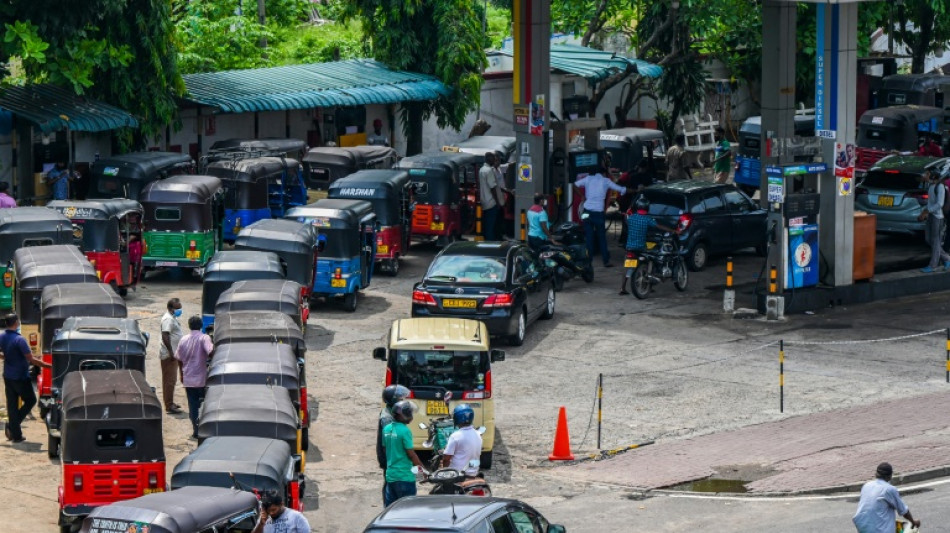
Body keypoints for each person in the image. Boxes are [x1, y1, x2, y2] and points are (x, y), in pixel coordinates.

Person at [1, 313, 50, 443]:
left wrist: (6, 357)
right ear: (16, 323)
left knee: (12, 404)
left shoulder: (2, 336)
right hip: (20, 377)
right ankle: (13, 426)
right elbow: (31, 360)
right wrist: (47, 365)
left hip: (8, 375)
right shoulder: (20, 340)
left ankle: (16, 435)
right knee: (31, 400)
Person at [620, 196, 678, 295]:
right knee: (652, 259)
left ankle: (622, 288)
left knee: (628, 267)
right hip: (641, 247)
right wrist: (673, 230)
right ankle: (649, 285)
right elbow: (659, 226)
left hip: (630, 247)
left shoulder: (632, 217)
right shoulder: (647, 219)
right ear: (647, 208)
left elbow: (626, 217)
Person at [576, 164, 627, 267]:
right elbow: (621, 189)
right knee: (601, 237)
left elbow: (575, 184)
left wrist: (582, 196)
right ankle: (606, 261)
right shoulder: (606, 181)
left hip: (586, 212)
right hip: (598, 213)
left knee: (589, 236)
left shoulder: (588, 179)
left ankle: (588, 261)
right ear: (603, 173)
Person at [174, 315, 213, 439]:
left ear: (189, 326)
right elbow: (210, 351)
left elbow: (178, 358)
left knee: (193, 406)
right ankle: (204, 429)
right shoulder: (204, 338)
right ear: (201, 326)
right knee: (204, 405)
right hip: (201, 379)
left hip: (188, 378)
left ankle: (196, 430)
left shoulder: (183, 339)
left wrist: (181, 373)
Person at [382, 399, 427, 507]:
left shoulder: (387, 429)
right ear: (404, 415)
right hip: (404, 477)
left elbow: (385, 449)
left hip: (391, 476)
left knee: (391, 510)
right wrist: (422, 471)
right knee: (407, 510)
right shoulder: (405, 431)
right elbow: (411, 454)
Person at [853, 462, 920, 533]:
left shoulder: (866, 485)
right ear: (890, 476)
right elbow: (904, 511)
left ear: (876, 474)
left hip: (861, 527)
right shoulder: (889, 489)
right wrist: (913, 522)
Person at [377, 384, 410, 499]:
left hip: (391, 456)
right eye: (400, 398)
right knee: (390, 484)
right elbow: (391, 441)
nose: (402, 399)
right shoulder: (387, 418)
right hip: (389, 456)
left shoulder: (391, 411)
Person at [918, 169, 950, 273]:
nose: (925, 176)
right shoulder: (930, 186)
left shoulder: (939, 187)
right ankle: (947, 258)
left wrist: (928, 211)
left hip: (938, 217)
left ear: (933, 176)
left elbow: (940, 204)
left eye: (927, 174)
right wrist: (924, 212)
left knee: (936, 241)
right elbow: (930, 202)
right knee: (929, 239)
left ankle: (933, 265)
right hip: (931, 215)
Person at [442, 404, 482, 477]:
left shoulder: (455, 436)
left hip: (457, 475)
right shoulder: (478, 434)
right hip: (474, 473)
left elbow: (446, 459)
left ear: (456, 419)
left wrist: (444, 472)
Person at [159, 298, 184, 414]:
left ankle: (170, 402)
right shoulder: (168, 319)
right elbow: (165, 336)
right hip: (169, 355)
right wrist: (171, 352)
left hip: (173, 354)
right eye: (177, 308)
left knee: (171, 380)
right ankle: (169, 405)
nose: (179, 310)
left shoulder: (173, 318)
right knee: (169, 380)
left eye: (180, 308)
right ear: (170, 308)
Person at [478, 152, 505, 241]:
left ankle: (487, 240)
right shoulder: (489, 170)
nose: (495, 160)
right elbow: (492, 187)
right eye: (493, 158)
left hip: (485, 201)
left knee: (487, 225)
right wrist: (497, 202)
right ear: (489, 159)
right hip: (491, 202)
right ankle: (490, 243)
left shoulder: (482, 169)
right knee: (492, 226)